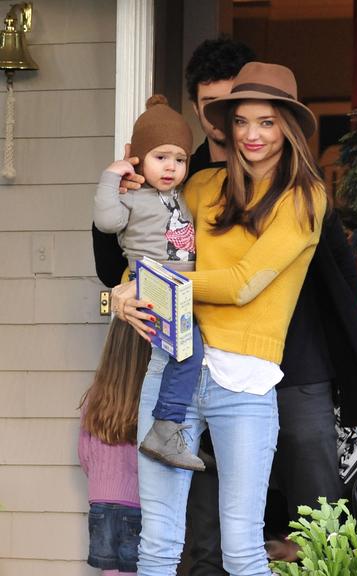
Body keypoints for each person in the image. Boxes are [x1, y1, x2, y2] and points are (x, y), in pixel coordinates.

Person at [111, 61, 327, 576]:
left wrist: (148, 285)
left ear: (289, 128)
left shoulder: (304, 198)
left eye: (268, 122)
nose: (252, 134)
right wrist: (122, 290)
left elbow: (241, 283)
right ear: (227, 126)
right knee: (158, 545)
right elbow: (148, 251)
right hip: (172, 370)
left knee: (243, 550)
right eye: (242, 121)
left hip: (245, 383)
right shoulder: (201, 186)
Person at [93, 95, 206, 472]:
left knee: (181, 355)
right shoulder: (134, 197)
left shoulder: (176, 197)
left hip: (177, 287)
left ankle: (174, 430)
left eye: (180, 158)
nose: (172, 166)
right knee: (188, 352)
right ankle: (166, 426)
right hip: (153, 283)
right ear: (140, 159)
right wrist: (113, 175)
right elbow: (107, 222)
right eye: (161, 157)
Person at [78, 318, 149, 576]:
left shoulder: (95, 395)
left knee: (110, 573)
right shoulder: (148, 395)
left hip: (100, 503)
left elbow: (85, 453)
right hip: (137, 503)